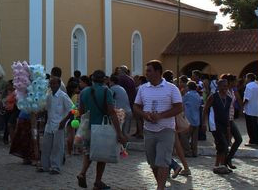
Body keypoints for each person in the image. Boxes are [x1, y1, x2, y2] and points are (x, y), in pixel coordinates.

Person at [133, 61, 183, 190]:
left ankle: (160, 188)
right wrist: (145, 115)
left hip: (166, 129)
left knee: (163, 160)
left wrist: (160, 116)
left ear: (158, 71)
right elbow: (136, 106)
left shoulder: (172, 88)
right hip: (148, 130)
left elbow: (178, 108)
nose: (146, 73)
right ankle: (161, 184)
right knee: (153, 162)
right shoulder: (143, 88)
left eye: (149, 70)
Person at [76, 70, 128, 190]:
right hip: (102, 128)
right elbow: (111, 113)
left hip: (88, 128)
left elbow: (81, 111)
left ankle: (82, 173)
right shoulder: (106, 91)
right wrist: (119, 133)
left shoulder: (84, 92)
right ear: (104, 80)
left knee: (88, 152)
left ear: (92, 79)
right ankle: (97, 182)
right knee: (101, 155)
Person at [38, 75, 73, 175]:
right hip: (49, 124)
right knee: (46, 146)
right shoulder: (48, 96)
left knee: (57, 147)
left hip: (59, 125)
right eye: (51, 83)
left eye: (54, 83)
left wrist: (64, 121)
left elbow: (72, 109)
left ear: (59, 84)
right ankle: (44, 166)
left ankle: (55, 167)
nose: (52, 85)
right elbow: (46, 109)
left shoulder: (63, 96)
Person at [202, 78, 233, 175]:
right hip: (214, 123)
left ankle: (218, 166)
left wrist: (228, 128)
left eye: (226, 86)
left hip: (224, 124)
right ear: (218, 87)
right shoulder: (213, 97)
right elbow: (205, 109)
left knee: (222, 145)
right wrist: (203, 123)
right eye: (223, 86)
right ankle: (221, 165)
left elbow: (227, 114)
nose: (225, 88)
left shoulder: (229, 99)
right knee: (223, 144)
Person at [182, 81, 202, 158]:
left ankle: (188, 151)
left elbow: (181, 103)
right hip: (196, 119)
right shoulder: (197, 95)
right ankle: (194, 152)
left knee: (184, 136)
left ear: (188, 87)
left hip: (188, 119)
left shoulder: (187, 95)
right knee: (194, 138)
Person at [242, 73, 258, 146]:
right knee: (255, 125)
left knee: (250, 126)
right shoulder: (257, 85)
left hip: (249, 109)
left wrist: (242, 105)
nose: (245, 79)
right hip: (255, 108)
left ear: (249, 78)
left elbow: (247, 98)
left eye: (246, 78)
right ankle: (256, 141)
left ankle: (252, 141)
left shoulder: (249, 86)